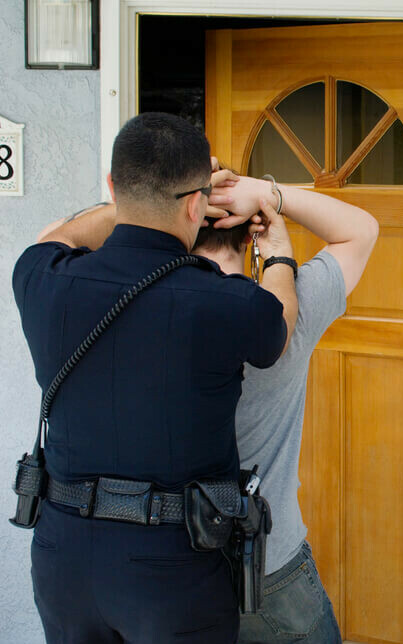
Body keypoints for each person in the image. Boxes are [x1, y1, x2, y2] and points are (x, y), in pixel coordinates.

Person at [13, 112, 297, 644]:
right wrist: (279, 256)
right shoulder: (223, 302)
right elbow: (278, 322)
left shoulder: (41, 280)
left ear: (113, 189)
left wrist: (127, 205)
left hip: (64, 559)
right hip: (173, 570)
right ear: (197, 204)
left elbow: (55, 236)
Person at [193, 171, 378, 643]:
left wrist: (172, 198)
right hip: (268, 563)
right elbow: (361, 230)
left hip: (175, 567)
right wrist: (268, 198)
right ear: (249, 232)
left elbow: (52, 242)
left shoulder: (149, 310)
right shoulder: (283, 312)